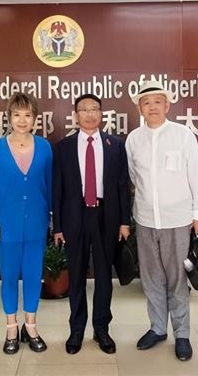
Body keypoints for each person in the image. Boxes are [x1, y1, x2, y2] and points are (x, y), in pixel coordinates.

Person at [125, 80, 198, 362]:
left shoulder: (183, 136)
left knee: (177, 279)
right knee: (151, 278)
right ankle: (157, 328)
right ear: (140, 108)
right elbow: (134, 177)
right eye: (146, 103)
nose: (152, 107)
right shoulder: (133, 139)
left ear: (167, 105)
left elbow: (197, 176)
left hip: (178, 220)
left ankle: (182, 334)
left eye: (157, 102)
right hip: (146, 219)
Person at [53, 94, 131, 355]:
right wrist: (58, 226)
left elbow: (122, 186)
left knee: (104, 276)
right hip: (74, 217)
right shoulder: (63, 147)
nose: (89, 114)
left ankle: (101, 328)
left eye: (94, 109)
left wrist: (124, 221)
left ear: (101, 113)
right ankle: (76, 329)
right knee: (76, 276)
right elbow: (57, 189)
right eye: (84, 110)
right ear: (75, 115)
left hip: (106, 217)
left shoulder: (115, 145)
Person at [0, 92, 52, 355]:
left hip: (36, 222)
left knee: (34, 276)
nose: (22, 120)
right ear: (9, 117)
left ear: (35, 118)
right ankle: (11, 327)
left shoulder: (44, 147)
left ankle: (30, 326)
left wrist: (54, 219)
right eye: (17, 114)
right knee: (9, 277)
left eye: (27, 115)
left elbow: (51, 185)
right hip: (7, 224)